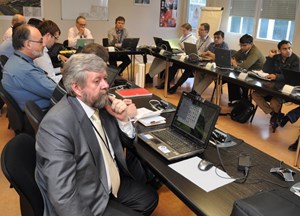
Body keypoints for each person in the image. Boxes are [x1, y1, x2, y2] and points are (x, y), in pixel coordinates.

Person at [35, 53, 158, 216]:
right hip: (87, 200)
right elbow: (63, 197)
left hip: (107, 182)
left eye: (105, 79)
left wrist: (123, 120)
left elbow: (128, 142)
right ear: (77, 88)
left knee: (149, 197)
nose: (106, 85)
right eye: (97, 81)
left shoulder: (99, 103)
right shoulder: (56, 125)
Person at [1, 24, 56, 111]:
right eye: (40, 41)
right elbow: (56, 92)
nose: (44, 44)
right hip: (46, 114)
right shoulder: (26, 71)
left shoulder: (16, 60)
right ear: (28, 44)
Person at [252, 40, 300, 129]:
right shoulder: (276, 57)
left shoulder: (296, 60)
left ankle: (275, 115)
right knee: (255, 94)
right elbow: (266, 70)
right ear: (279, 50)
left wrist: (277, 77)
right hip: (272, 85)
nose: (288, 51)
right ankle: (274, 114)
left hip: (286, 88)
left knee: (274, 102)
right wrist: (270, 58)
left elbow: (293, 77)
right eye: (284, 49)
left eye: (289, 48)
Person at [146, 22, 197, 87]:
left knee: (165, 61)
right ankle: (150, 74)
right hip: (178, 52)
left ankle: (150, 76)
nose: (183, 32)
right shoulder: (183, 36)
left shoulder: (192, 39)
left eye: (184, 30)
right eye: (182, 30)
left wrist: (182, 47)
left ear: (189, 30)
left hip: (183, 56)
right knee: (157, 58)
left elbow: (188, 50)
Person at [228, 34, 265, 104]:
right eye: (240, 45)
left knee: (241, 80)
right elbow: (234, 57)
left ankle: (244, 101)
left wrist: (235, 64)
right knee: (231, 78)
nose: (242, 47)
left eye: (244, 45)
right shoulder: (244, 49)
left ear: (251, 44)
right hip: (250, 72)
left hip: (259, 75)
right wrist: (233, 61)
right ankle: (237, 100)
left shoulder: (255, 52)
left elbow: (245, 65)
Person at [191, 30, 229, 96]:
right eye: (215, 38)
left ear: (223, 38)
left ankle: (195, 92)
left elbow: (221, 59)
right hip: (208, 65)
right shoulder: (212, 44)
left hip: (219, 70)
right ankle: (196, 92)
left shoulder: (224, 46)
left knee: (210, 74)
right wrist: (211, 55)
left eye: (218, 38)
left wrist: (210, 54)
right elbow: (203, 54)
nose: (216, 39)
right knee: (198, 71)